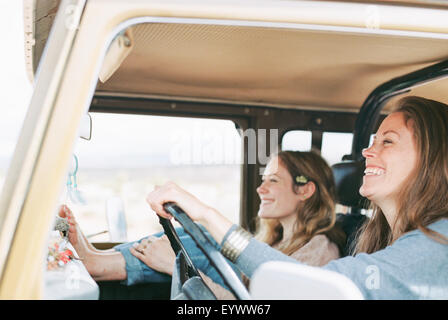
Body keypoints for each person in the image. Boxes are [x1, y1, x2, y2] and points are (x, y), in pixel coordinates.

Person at [146, 96, 448, 299]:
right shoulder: (381, 238)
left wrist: (208, 215)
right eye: (372, 142)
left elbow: (311, 286)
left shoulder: (437, 244)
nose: (368, 152)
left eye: (388, 142)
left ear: (437, 160)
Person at [60, 150, 345, 296]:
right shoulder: (276, 239)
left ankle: (96, 263)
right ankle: (97, 258)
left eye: (273, 181)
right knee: (201, 238)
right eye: (262, 180)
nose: (261, 189)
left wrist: (179, 269)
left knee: (202, 243)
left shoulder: (319, 251)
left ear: (305, 190)